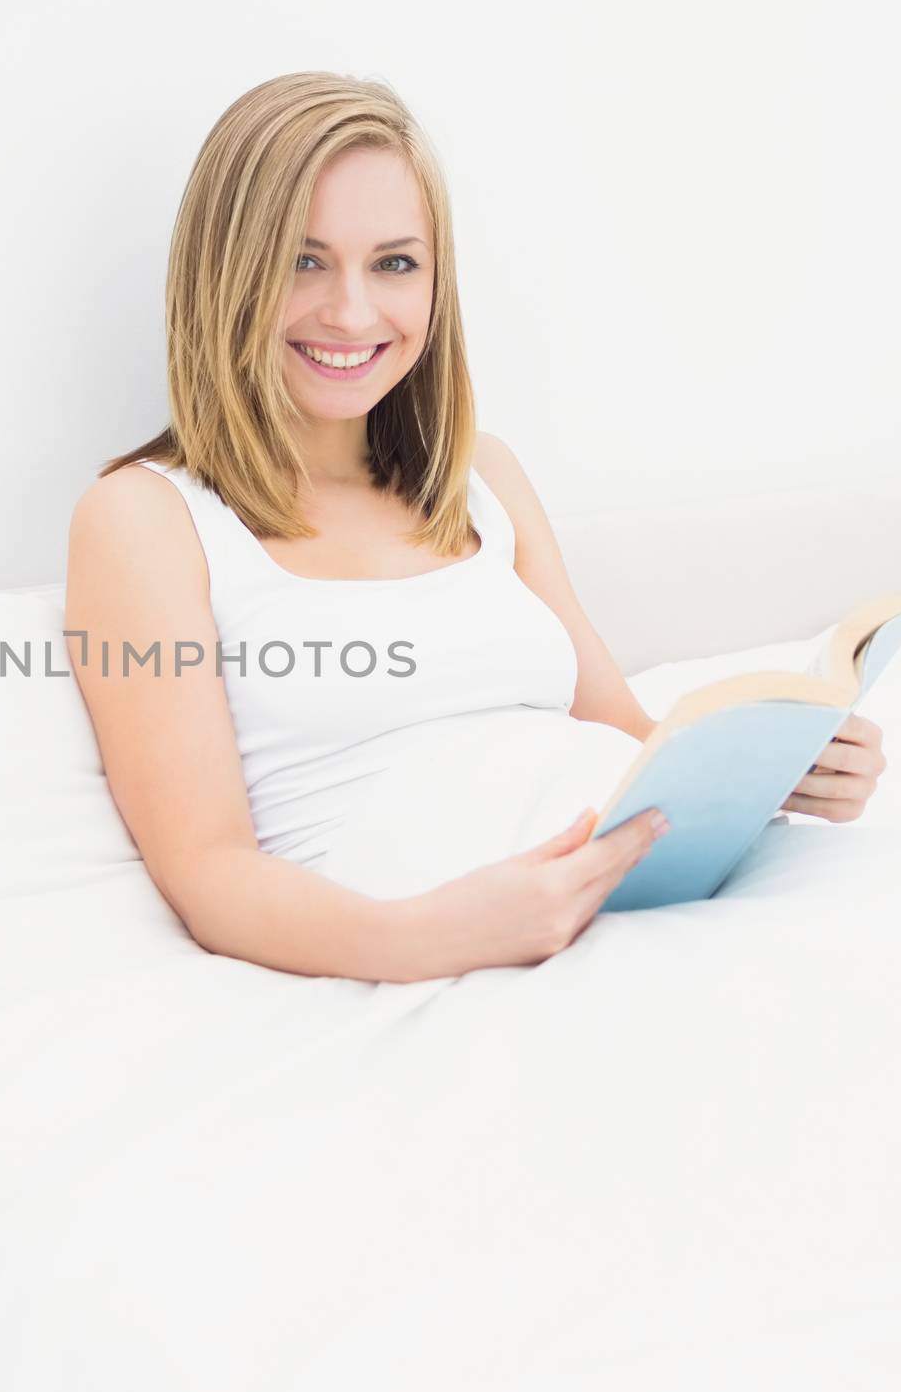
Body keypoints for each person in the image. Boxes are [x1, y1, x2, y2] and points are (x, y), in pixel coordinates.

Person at [63, 72, 846, 990]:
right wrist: (433, 938)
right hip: (465, 966)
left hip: (646, 902)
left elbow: (629, 739)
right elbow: (208, 873)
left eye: (394, 264)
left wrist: (777, 776)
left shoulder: (481, 478)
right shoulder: (144, 519)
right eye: (301, 260)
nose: (352, 312)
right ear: (224, 273)